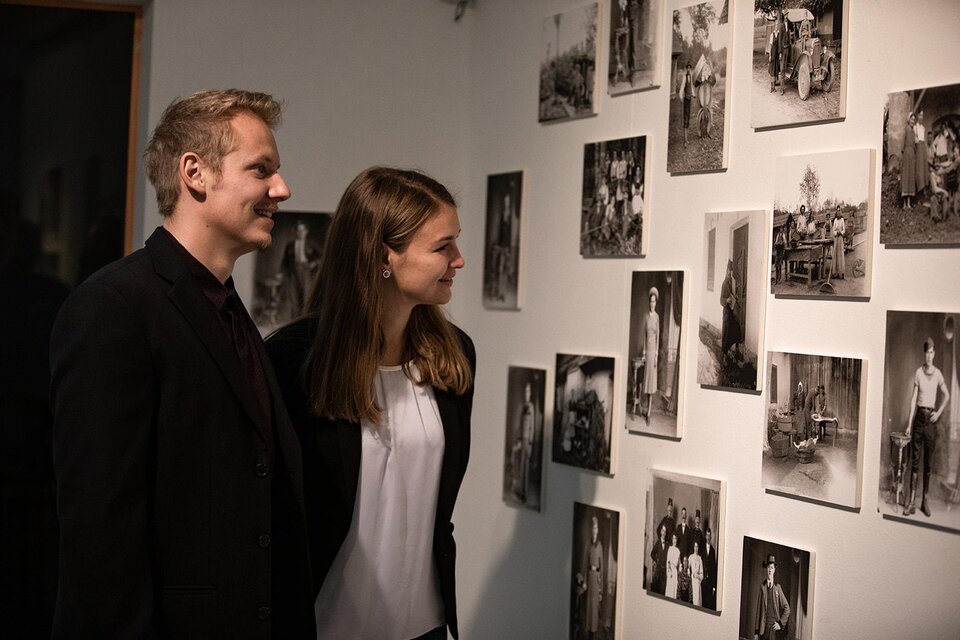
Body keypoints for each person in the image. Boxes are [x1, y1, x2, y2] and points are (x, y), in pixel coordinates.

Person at [48, 89, 315, 637]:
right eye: (260, 169)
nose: (281, 189)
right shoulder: (112, 309)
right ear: (195, 172)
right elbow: (100, 531)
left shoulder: (227, 308)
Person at [265, 167, 475, 640]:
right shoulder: (292, 361)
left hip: (425, 627)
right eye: (443, 247)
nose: (459, 260)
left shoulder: (454, 357)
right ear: (384, 255)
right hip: (323, 626)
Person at [903, 337, 950, 517]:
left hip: (931, 422)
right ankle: (911, 503)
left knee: (928, 464)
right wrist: (909, 424)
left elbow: (946, 395)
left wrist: (938, 413)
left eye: (932, 352)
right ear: (924, 354)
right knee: (915, 462)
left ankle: (925, 502)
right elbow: (914, 399)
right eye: (927, 352)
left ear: (934, 353)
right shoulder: (918, 373)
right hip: (918, 421)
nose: (929, 356)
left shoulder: (938, 374)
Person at [279, 220, 320, 320]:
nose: (300, 233)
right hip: (293, 272)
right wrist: (280, 273)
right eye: (298, 231)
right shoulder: (290, 245)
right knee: (293, 297)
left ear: (306, 232)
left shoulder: (311, 244)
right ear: (295, 232)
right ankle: (294, 320)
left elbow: (321, 257)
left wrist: (313, 264)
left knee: (305, 296)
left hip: (306, 272)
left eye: (302, 230)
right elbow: (284, 261)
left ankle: (304, 319)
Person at [753, 554, 790, 640]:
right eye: (769, 567)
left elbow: (787, 608)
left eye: (772, 568)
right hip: (763, 628)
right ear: (766, 569)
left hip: (774, 630)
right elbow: (759, 611)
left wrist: (780, 624)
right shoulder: (762, 587)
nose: (770, 570)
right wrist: (756, 632)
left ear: (774, 570)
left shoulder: (778, 587)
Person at [640, 286, 660, 423]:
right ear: (649, 303)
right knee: (646, 382)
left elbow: (657, 337)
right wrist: (644, 352)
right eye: (650, 302)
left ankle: (649, 414)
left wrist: (656, 355)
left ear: (656, 303)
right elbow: (643, 335)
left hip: (654, 353)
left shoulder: (657, 317)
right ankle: (643, 407)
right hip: (647, 352)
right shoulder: (646, 317)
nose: (652, 304)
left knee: (652, 384)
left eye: (654, 302)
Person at [513, 381, 536, 502]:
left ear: (530, 393)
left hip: (528, 440)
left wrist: (531, 443)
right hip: (522, 439)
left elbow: (532, 426)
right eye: (525, 391)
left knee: (526, 466)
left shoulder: (531, 407)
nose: (526, 393)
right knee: (521, 466)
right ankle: (520, 490)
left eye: (528, 391)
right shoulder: (523, 406)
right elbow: (520, 424)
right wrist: (518, 439)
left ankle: (525, 494)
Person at [720, 259, 742, 368]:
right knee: (726, 332)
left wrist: (735, 297)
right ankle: (724, 356)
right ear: (726, 271)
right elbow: (721, 300)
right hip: (727, 312)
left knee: (735, 329)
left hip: (732, 311)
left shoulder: (733, 282)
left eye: (731, 271)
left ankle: (734, 351)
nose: (730, 273)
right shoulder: (724, 284)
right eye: (728, 271)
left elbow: (734, 294)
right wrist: (726, 301)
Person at [585, 516, 604, 639]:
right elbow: (584, 562)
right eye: (593, 527)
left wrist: (601, 588)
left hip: (596, 579)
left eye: (596, 528)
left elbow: (602, 567)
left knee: (595, 607)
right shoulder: (588, 544)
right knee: (589, 606)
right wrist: (585, 581)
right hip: (589, 578)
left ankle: (594, 633)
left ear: (598, 530)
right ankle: (588, 633)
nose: (594, 530)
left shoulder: (600, 546)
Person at [768, 12, 787, 94]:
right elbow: (774, 43)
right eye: (775, 25)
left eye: (777, 25)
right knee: (775, 70)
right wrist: (778, 53)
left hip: (779, 52)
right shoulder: (774, 33)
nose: (777, 26)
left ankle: (776, 86)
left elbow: (782, 39)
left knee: (777, 69)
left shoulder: (780, 29)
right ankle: (775, 87)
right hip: (776, 52)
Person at [902, 112, 918, 209]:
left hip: (912, 154)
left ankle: (909, 203)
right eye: (911, 119)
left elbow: (915, 144)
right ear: (909, 120)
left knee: (911, 177)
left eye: (914, 120)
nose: (913, 121)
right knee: (906, 177)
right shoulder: (906, 130)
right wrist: (903, 155)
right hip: (907, 154)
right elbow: (904, 144)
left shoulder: (913, 131)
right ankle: (904, 204)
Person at [677, 62, 695, 147]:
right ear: (686, 69)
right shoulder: (684, 77)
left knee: (688, 118)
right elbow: (682, 87)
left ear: (690, 69)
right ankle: (685, 141)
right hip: (686, 100)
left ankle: (686, 139)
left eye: (690, 68)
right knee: (685, 118)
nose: (688, 69)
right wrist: (681, 96)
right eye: (687, 68)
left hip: (690, 99)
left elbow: (691, 86)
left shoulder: (690, 77)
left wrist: (693, 94)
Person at [650, 524, 669, 595]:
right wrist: (656, 559)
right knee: (656, 590)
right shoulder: (658, 543)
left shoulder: (667, 544)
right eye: (663, 531)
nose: (664, 533)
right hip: (658, 570)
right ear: (661, 532)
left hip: (665, 572)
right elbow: (652, 554)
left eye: (665, 531)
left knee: (663, 590)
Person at [703, 527, 718, 610]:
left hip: (709, 582)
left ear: (711, 537)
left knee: (708, 603)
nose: (708, 538)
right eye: (707, 535)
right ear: (705, 536)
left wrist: (713, 587)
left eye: (709, 536)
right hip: (702, 580)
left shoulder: (713, 551)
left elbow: (713, 569)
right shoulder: (701, 548)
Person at [830, 205, 846, 279]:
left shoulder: (842, 220)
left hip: (840, 239)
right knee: (835, 254)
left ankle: (841, 273)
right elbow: (833, 230)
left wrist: (841, 232)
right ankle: (834, 273)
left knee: (840, 255)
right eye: (837, 211)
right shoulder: (835, 220)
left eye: (839, 211)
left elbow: (844, 230)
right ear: (836, 212)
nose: (838, 212)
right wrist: (836, 233)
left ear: (840, 212)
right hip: (836, 238)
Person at [915, 109, 928, 195]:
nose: (921, 117)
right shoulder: (915, 127)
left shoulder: (923, 128)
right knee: (919, 169)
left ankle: (924, 190)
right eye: (920, 115)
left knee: (924, 168)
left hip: (923, 147)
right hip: (918, 147)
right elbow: (915, 140)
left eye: (922, 115)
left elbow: (924, 140)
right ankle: (918, 190)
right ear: (917, 116)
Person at [665, 532, 680, 599]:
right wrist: (669, 571)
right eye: (673, 539)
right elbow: (668, 561)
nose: (674, 540)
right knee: (669, 591)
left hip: (675, 572)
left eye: (675, 539)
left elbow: (679, 563)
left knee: (674, 591)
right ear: (672, 540)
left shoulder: (678, 550)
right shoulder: (670, 549)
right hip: (670, 572)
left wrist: (680, 568)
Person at [689, 540, 704, 606]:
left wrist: (698, 576)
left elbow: (701, 573)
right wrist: (690, 575)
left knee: (697, 600)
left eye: (697, 546)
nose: (696, 548)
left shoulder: (700, 558)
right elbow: (687, 568)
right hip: (692, 580)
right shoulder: (691, 557)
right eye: (695, 546)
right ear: (693, 547)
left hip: (697, 582)